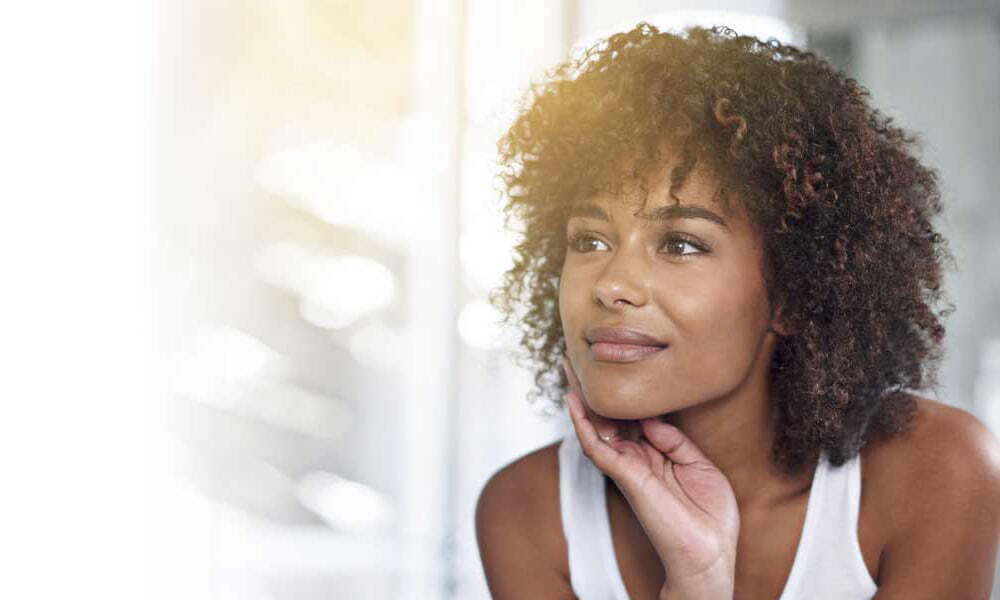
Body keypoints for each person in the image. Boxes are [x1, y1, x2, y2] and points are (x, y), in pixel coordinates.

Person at [474, 23, 1000, 600]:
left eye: (680, 244)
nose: (611, 285)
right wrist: (696, 582)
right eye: (589, 241)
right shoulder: (527, 513)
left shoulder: (934, 470)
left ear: (794, 291)